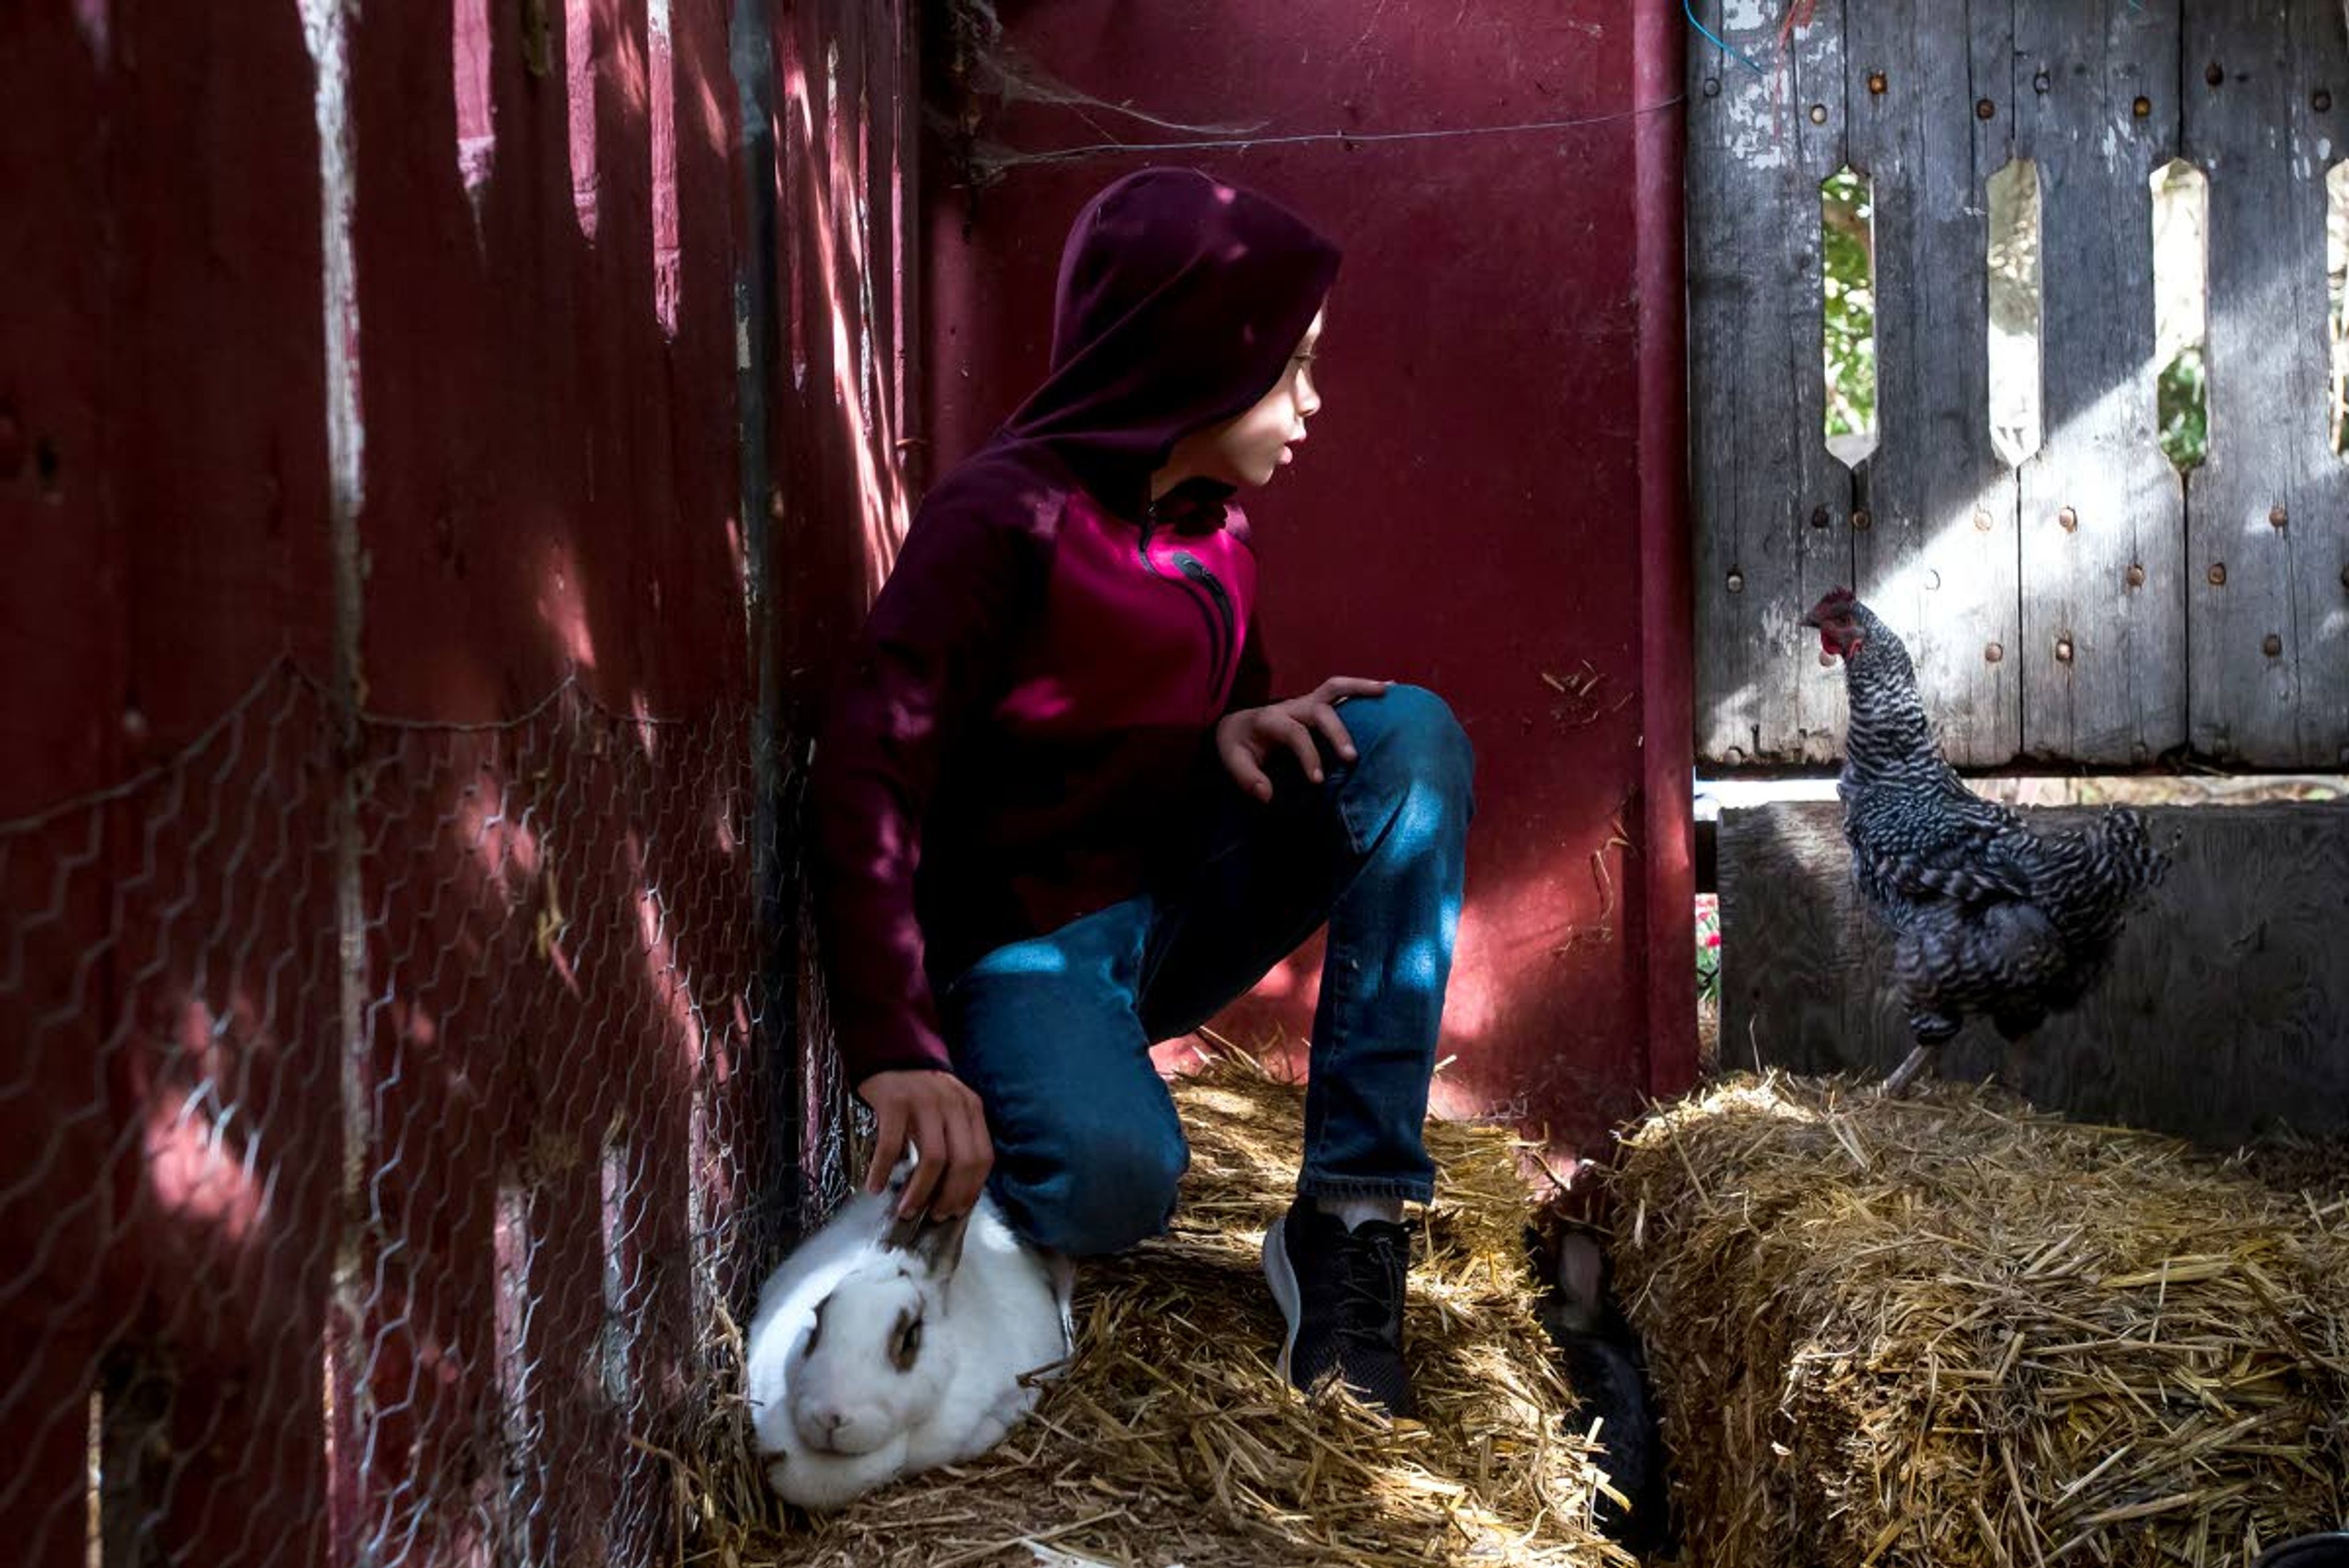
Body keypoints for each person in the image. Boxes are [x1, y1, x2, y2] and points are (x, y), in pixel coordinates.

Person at [807, 166, 1473, 1418]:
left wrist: (1239, 724)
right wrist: (894, 1044)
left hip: (1164, 908)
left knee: (1406, 745)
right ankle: (1034, 1111)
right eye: (1294, 366)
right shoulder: (998, 520)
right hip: (1025, 947)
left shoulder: (1216, 526)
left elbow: (1198, 708)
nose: (1314, 402)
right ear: (1197, 359)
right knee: (1119, 1184)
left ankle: (1348, 1218)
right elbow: (864, 771)